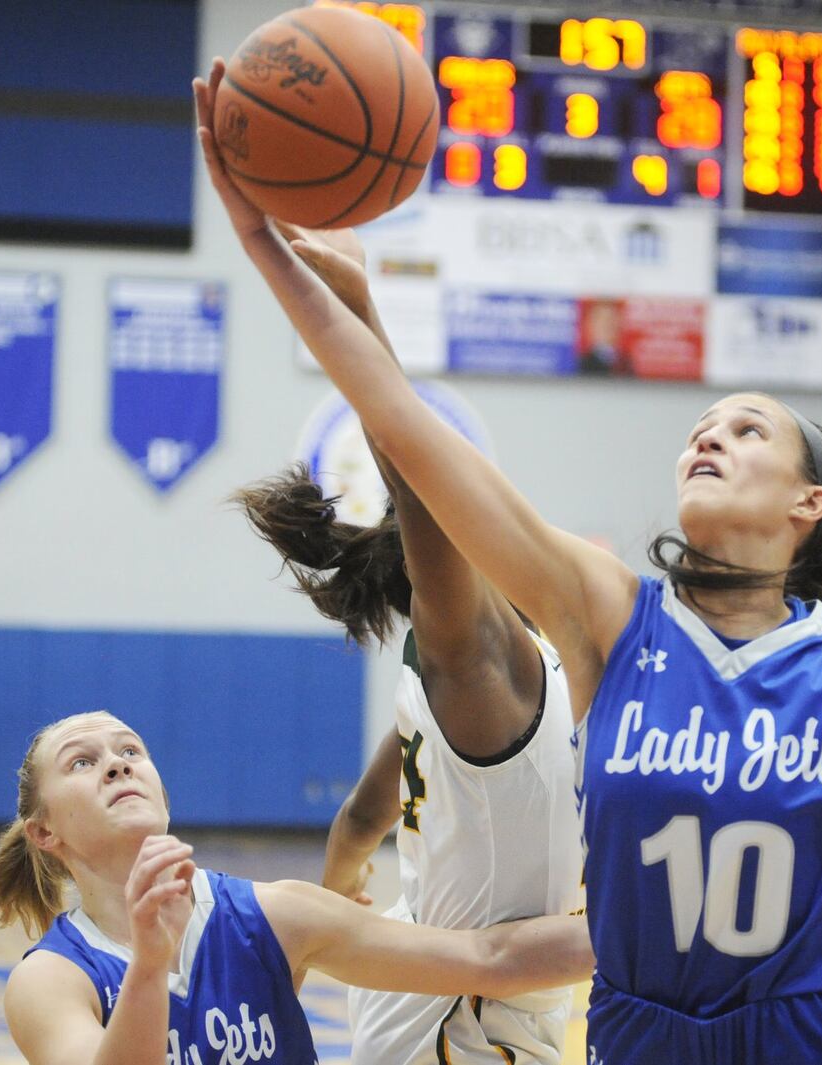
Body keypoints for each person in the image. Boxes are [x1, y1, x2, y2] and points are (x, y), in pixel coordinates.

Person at [196, 59, 822, 1065]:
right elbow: (410, 435)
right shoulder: (608, 620)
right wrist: (269, 253)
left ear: (809, 504)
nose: (708, 438)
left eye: (747, 428)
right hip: (643, 1037)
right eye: (701, 427)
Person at [232, 226, 582, 1065]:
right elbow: (417, 472)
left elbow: (360, 815)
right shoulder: (475, 667)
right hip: (460, 1026)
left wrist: (342, 880)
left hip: (441, 999)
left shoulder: (456, 688)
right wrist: (357, 305)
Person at [0, 712, 592, 1065]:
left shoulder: (273, 916)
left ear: (163, 792)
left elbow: (487, 959)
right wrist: (149, 964)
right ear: (43, 832)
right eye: (81, 763)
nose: (118, 764)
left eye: (130, 751)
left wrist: (649, 929)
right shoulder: (49, 979)